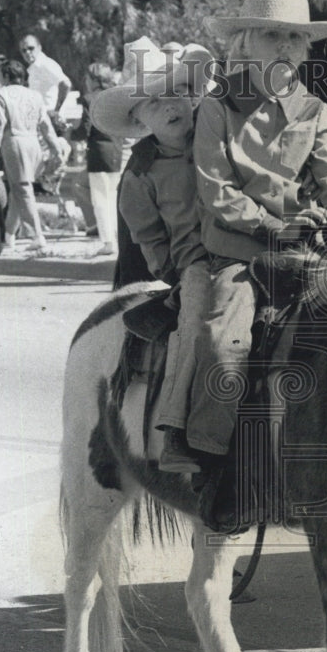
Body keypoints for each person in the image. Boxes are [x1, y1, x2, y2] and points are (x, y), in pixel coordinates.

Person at [186, 0, 327, 530]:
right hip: (238, 251)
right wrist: (275, 227)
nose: (286, 47)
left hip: (301, 249)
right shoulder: (217, 109)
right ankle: (211, 466)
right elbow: (216, 193)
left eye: (296, 37)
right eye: (273, 36)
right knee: (223, 345)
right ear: (246, 43)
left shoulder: (316, 111)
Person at [91, 37, 216, 473]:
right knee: (197, 315)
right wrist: (172, 273)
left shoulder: (219, 135)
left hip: (250, 243)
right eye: (154, 102)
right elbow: (148, 238)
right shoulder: (141, 177)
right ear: (139, 119)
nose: (170, 106)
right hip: (196, 263)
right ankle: (177, 424)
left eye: (177, 93)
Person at [0, 59, 62, 250]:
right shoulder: (35, 96)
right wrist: (55, 149)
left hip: (15, 142)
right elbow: (45, 126)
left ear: (6, 76)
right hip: (33, 143)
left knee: (23, 190)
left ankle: (37, 236)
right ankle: (9, 236)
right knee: (17, 192)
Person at [73, 61, 123, 254]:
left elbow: (84, 129)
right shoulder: (116, 96)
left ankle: (108, 242)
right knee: (114, 196)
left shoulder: (88, 99)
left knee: (101, 198)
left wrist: (70, 132)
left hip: (98, 150)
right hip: (116, 149)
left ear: (93, 79)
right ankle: (117, 237)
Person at [18, 33, 72, 113]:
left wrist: (56, 111)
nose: (27, 52)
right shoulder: (33, 68)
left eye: (31, 48)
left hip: (50, 116)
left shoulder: (46, 64)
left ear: (39, 47)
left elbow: (66, 84)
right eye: (24, 50)